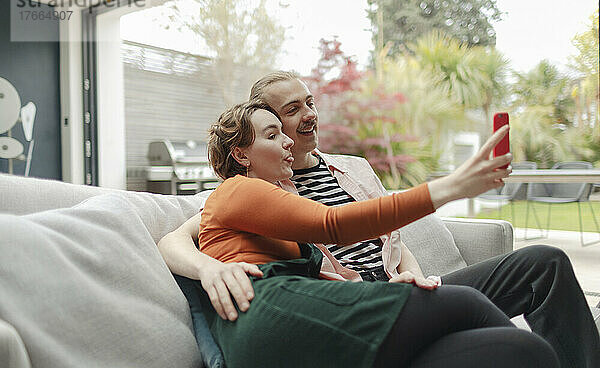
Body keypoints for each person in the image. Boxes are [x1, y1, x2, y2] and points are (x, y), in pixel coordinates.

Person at [159, 72, 599, 368]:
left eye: (309, 104)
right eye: (288, 114)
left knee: (544, 262)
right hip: (354, 301)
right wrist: (208, 268)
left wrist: (416, 277)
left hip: (396, 290)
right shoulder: (252, 189)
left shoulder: (352, 168)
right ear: (255, 136)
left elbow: (391, 237)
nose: (308, 116)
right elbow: (178, 237)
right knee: (504, 341)